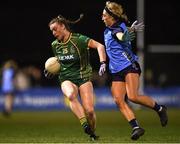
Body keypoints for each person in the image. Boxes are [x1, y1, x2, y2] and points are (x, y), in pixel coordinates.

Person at [101, 1, 168, 140]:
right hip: (115, 70)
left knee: (132, 97)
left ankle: (160, 109)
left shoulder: (117, 28)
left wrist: (127, 33)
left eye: (104, 15)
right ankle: (136, 127)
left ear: (112, 17)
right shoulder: (108, 29)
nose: (102, 17)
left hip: (129, 65)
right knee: (118, 100)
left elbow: (120, 36)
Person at [44, 14, 106, 141]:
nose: (53, 33)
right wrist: (51, 71)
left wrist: (103, 62)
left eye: (55, 29)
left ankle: (92, 133)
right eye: (52, 31)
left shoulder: (79, 39)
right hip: (66, 77)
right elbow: (59, 63)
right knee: (71, 95)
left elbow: (100, 46)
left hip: (83, 77)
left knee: (89, 111)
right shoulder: (55, 45)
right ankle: (84, 124)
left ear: (62, 26)